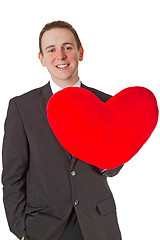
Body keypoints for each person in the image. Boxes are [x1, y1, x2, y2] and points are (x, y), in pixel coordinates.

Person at [2, 20, 123, 240]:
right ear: (41, 58)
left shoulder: (107, 103)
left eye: (68, 47)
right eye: (51, 50)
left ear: (81, 52)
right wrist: (20, 229)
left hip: (98, 225)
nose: (61, 55)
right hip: (44, 228)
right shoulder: (22, 107)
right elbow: (12, 177)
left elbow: (114, 168)